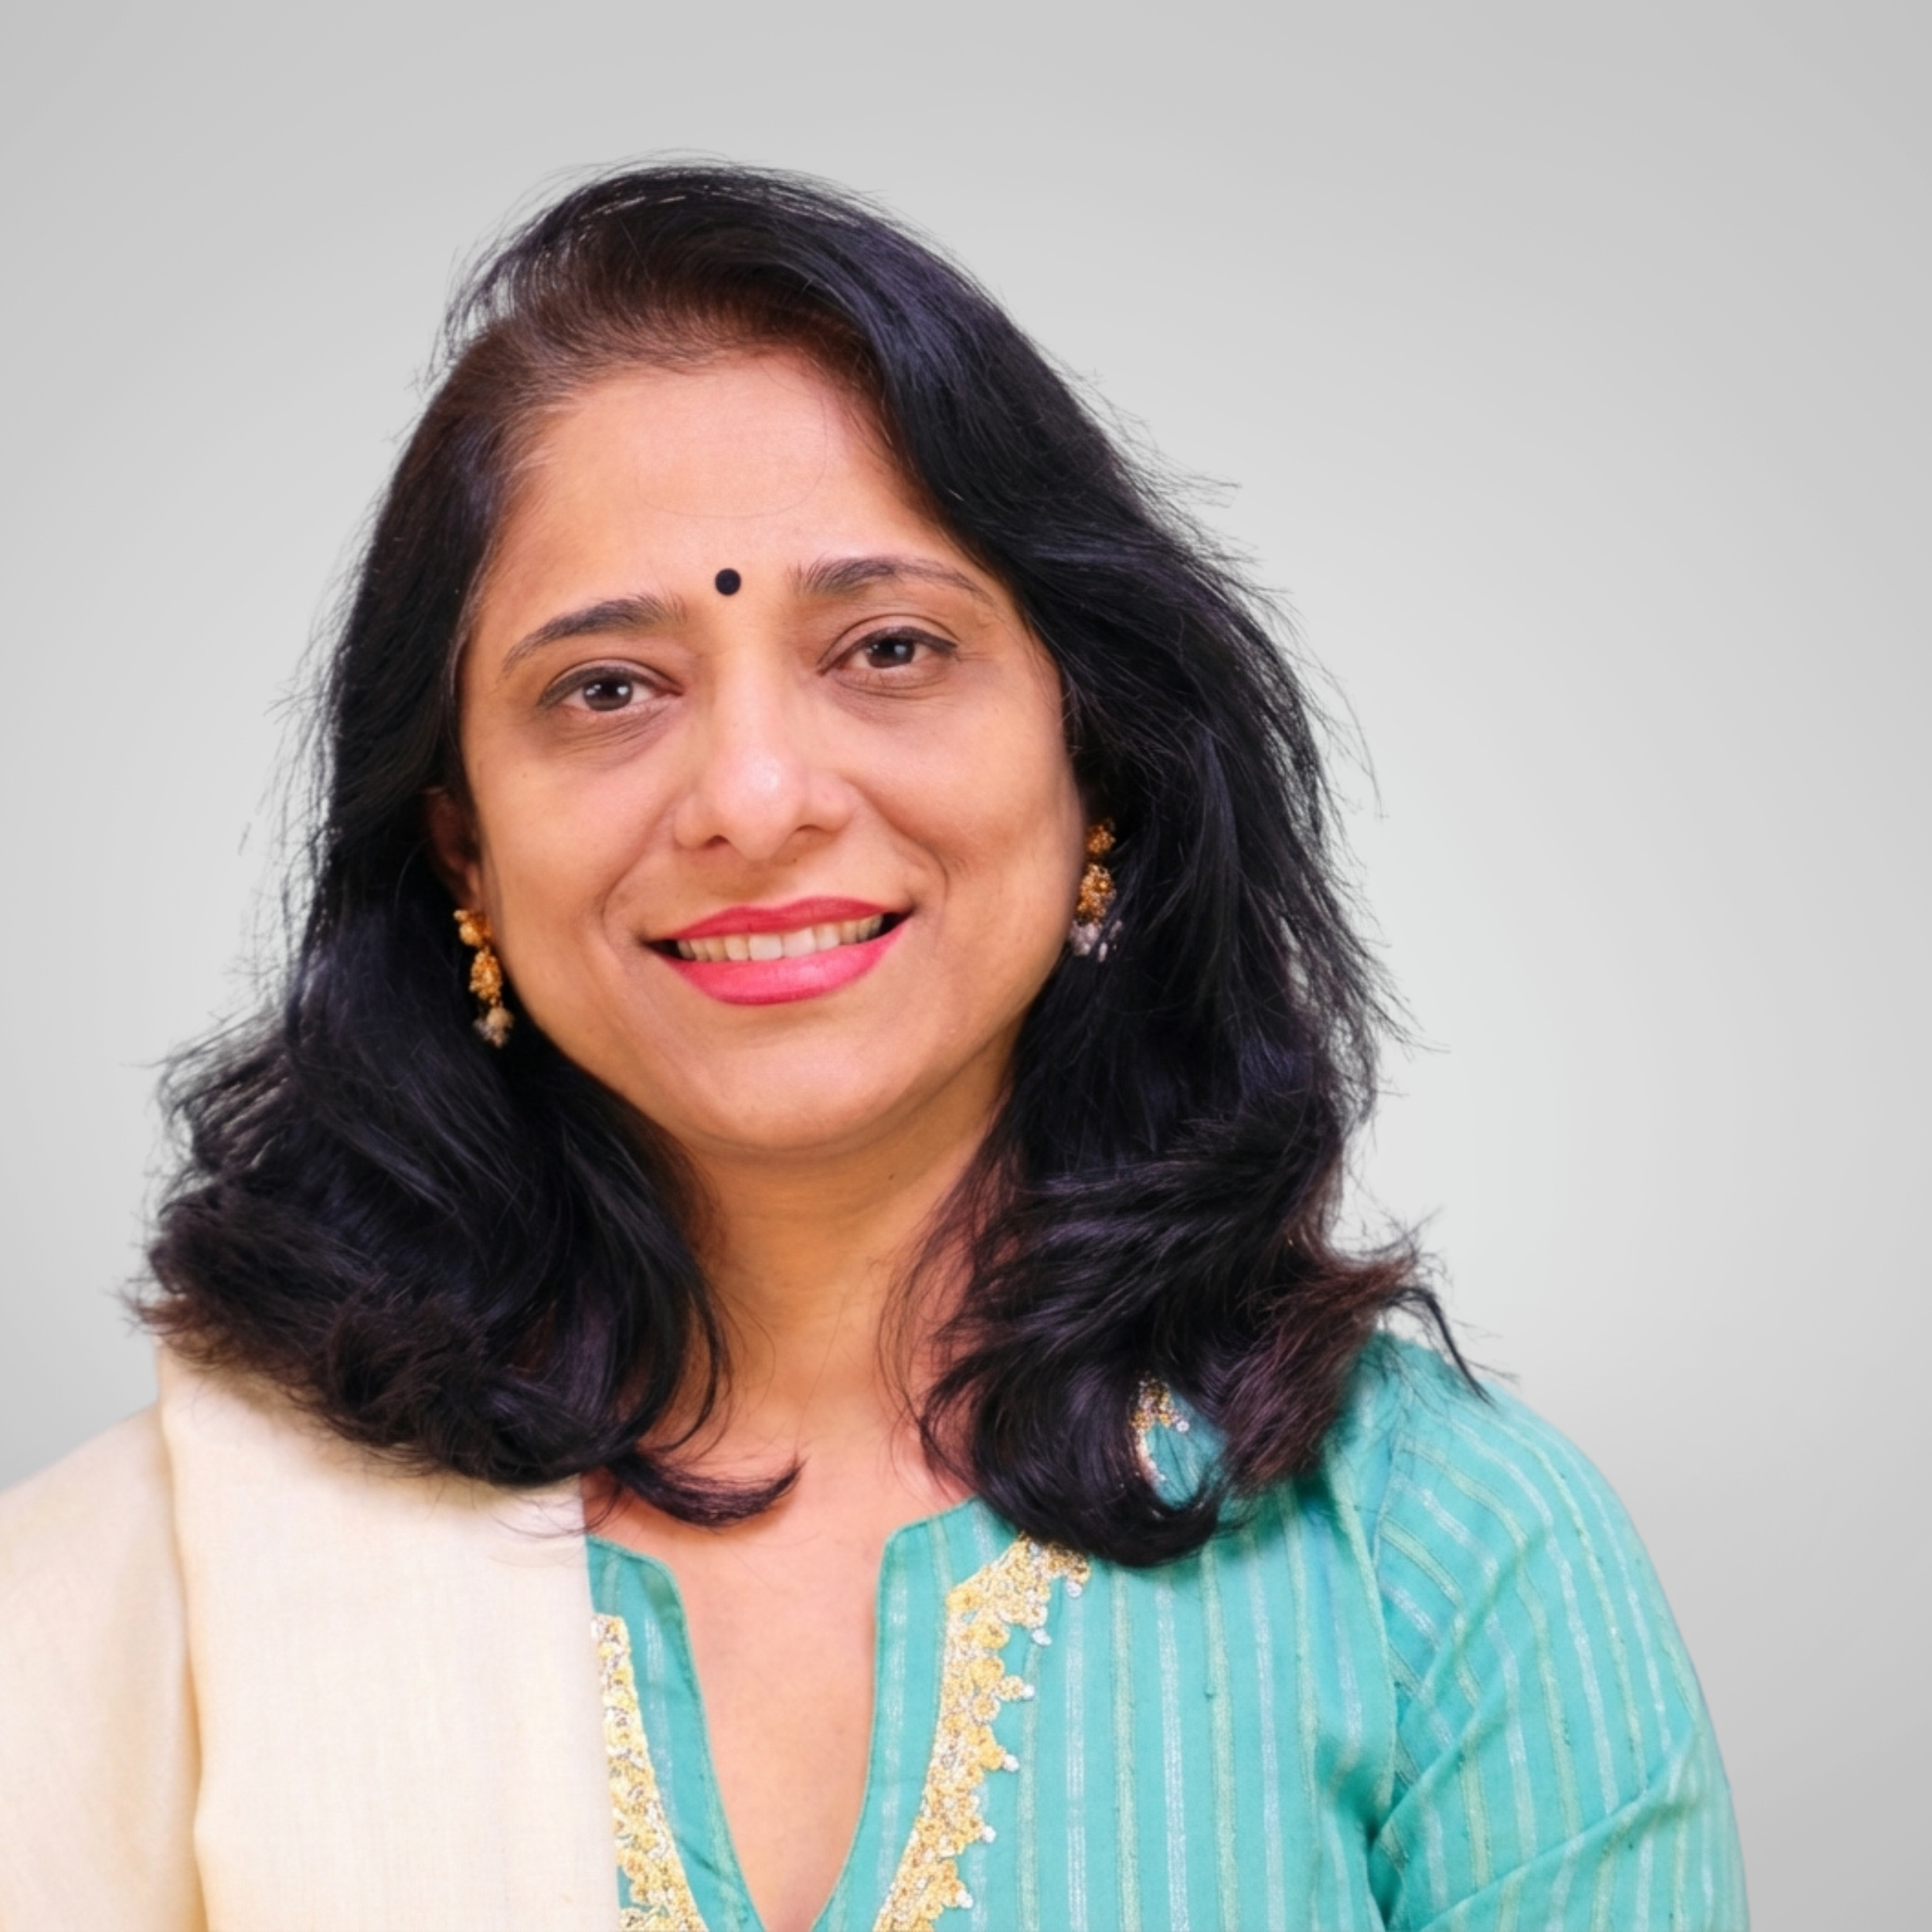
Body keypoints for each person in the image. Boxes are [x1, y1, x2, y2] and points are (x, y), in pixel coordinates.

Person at [0, 165, 1747, 1932]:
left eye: (888, 647)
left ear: (1103, 772)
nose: (755, 798)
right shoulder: (156, 1593)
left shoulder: (1435, 1556)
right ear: (463, 846)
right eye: (608, 686)